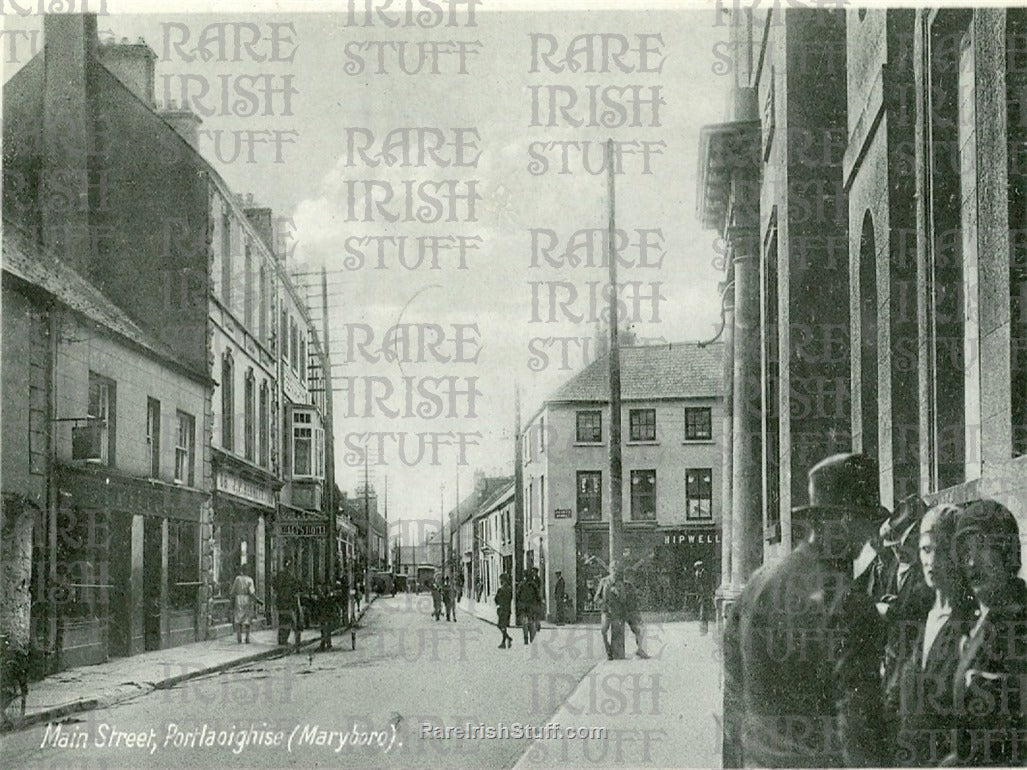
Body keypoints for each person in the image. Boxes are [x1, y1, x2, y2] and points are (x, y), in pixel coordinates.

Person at [722, 452, 888, 768]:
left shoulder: (757, 585)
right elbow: (859, 727)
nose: (869, 535)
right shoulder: (849, 603)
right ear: (844, 519)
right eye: (866, 520)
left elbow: (733, 705)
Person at [889, 503, 973, 766]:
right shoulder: (917, 616)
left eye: (943, 551)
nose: (932, 561)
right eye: (926, 549)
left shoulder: (972, 622)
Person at [948, 499, 1026, 767]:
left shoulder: (1020, 621)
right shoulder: (979, 622)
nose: (970, 562)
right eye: (964, 552)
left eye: (981, 548)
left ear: (1006, 551)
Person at [594, 563, 648, 659]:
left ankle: (617, 654)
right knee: (603, 631)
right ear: (609, 570)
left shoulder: (620, 584)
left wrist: (617, 593)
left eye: (616, 569)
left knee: (618, 634)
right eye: (613, 569)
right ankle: (608, 650)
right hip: (606, 612)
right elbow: (596, 597)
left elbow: (623, 599)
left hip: (616, 613)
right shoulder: (604, 581)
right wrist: (603, 603)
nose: (614, 571)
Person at [273, 560, 302, 650]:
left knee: (283, 620)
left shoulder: (280, 575)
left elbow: (274, 585)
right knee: (290, 621)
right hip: (289, 602)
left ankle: (282, 639)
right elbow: (296, 588)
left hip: (281, 601)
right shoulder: (291, 576)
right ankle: (284, 639)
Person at [231, 564, 260, 644]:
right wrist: (257, 600)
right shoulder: (250, 580)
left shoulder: (237, 579)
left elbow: (233, 591)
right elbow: (252, 593)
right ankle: (247, 638)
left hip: (238, 599)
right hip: (247, 600)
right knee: (247, 620)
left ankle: (239, 638)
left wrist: (232, 600)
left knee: (238, 619)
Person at [517, 569, 541, 644]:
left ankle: (525, 638)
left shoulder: (521, 585)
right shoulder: (533, 585)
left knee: (524, 622)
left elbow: (518, 595)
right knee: (532, 622)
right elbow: (538, 596)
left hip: (524, 606)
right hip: (532, 606)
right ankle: (532, 638)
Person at [691, 560, 713, 634]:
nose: (697, 569)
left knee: (703, 612)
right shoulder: (697, 574)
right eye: (696, 568)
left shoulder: (705, 573)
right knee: (701, 611)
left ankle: (704, 629)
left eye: (697, 567)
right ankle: (702, 629)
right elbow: (696, 584)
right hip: (700, 594)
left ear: (700, 567)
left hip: (705, 594)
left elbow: (706, 584)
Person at [495, 573, 514, 649]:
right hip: (508, 610)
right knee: (504, 626)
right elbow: (510, 598)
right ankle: (507, 639)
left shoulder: (501, 589)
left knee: (501, 625)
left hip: (502, 610)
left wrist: (499, 603)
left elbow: (496, 599)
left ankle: (505, 641)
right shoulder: (509, 589)